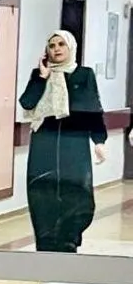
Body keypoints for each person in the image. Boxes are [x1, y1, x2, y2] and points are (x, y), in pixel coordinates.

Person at [18, 29, 108, 253]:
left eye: (61, 44)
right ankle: (45, 245)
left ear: (71, 47)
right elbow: (27, 103)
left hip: (74, 142)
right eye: (52, 45)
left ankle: (69, 241)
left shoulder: (84, 74)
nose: (56, 49)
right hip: (44, 142)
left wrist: (99, 141)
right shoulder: (40, 74)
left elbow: (93, 108)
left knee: (77, 194)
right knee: (42, 194)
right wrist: (42, 78)